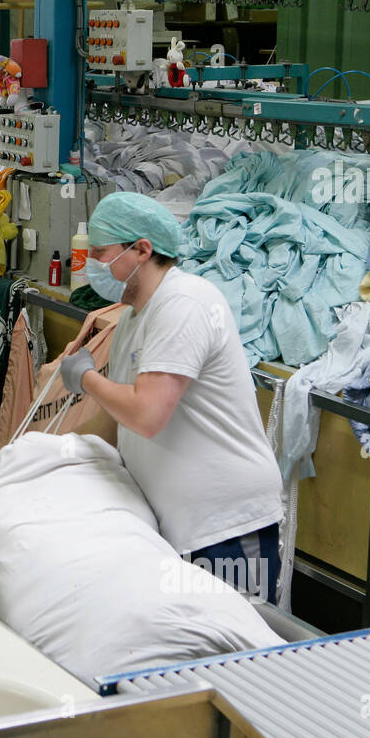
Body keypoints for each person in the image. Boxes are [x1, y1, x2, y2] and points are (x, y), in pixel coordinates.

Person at [58, 192, 284, 604]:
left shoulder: (184, 304)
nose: (91, 265)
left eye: (101, 253)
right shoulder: (134, 318)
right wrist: (53, 454)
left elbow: (146, 413)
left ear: (141, 250)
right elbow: (116, 419)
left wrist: (87, 378)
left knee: (236, 655)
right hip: (177, 528)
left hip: (225, 527)